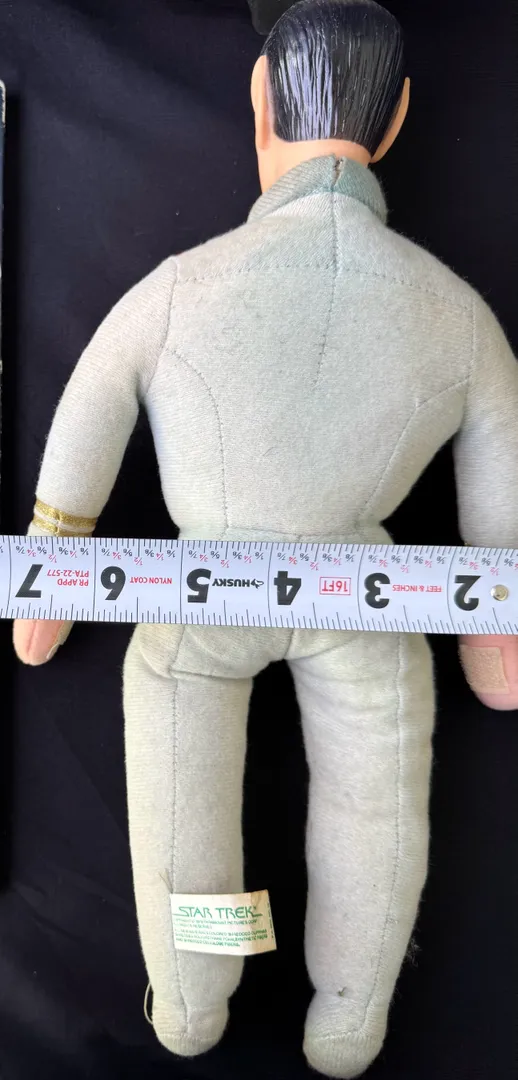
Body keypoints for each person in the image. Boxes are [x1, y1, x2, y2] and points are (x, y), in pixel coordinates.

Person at [13, 2, 518, 1076]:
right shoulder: (456, 314)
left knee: (176, 778)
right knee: (378, 803)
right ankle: (350, 1016)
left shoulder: (178, 288)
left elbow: (90, 406)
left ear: (258, 101)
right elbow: (498, 488)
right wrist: (491, 635)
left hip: (194, 593)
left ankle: (193, 994)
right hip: (375, 599)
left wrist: (51, 576)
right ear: (396, 119)